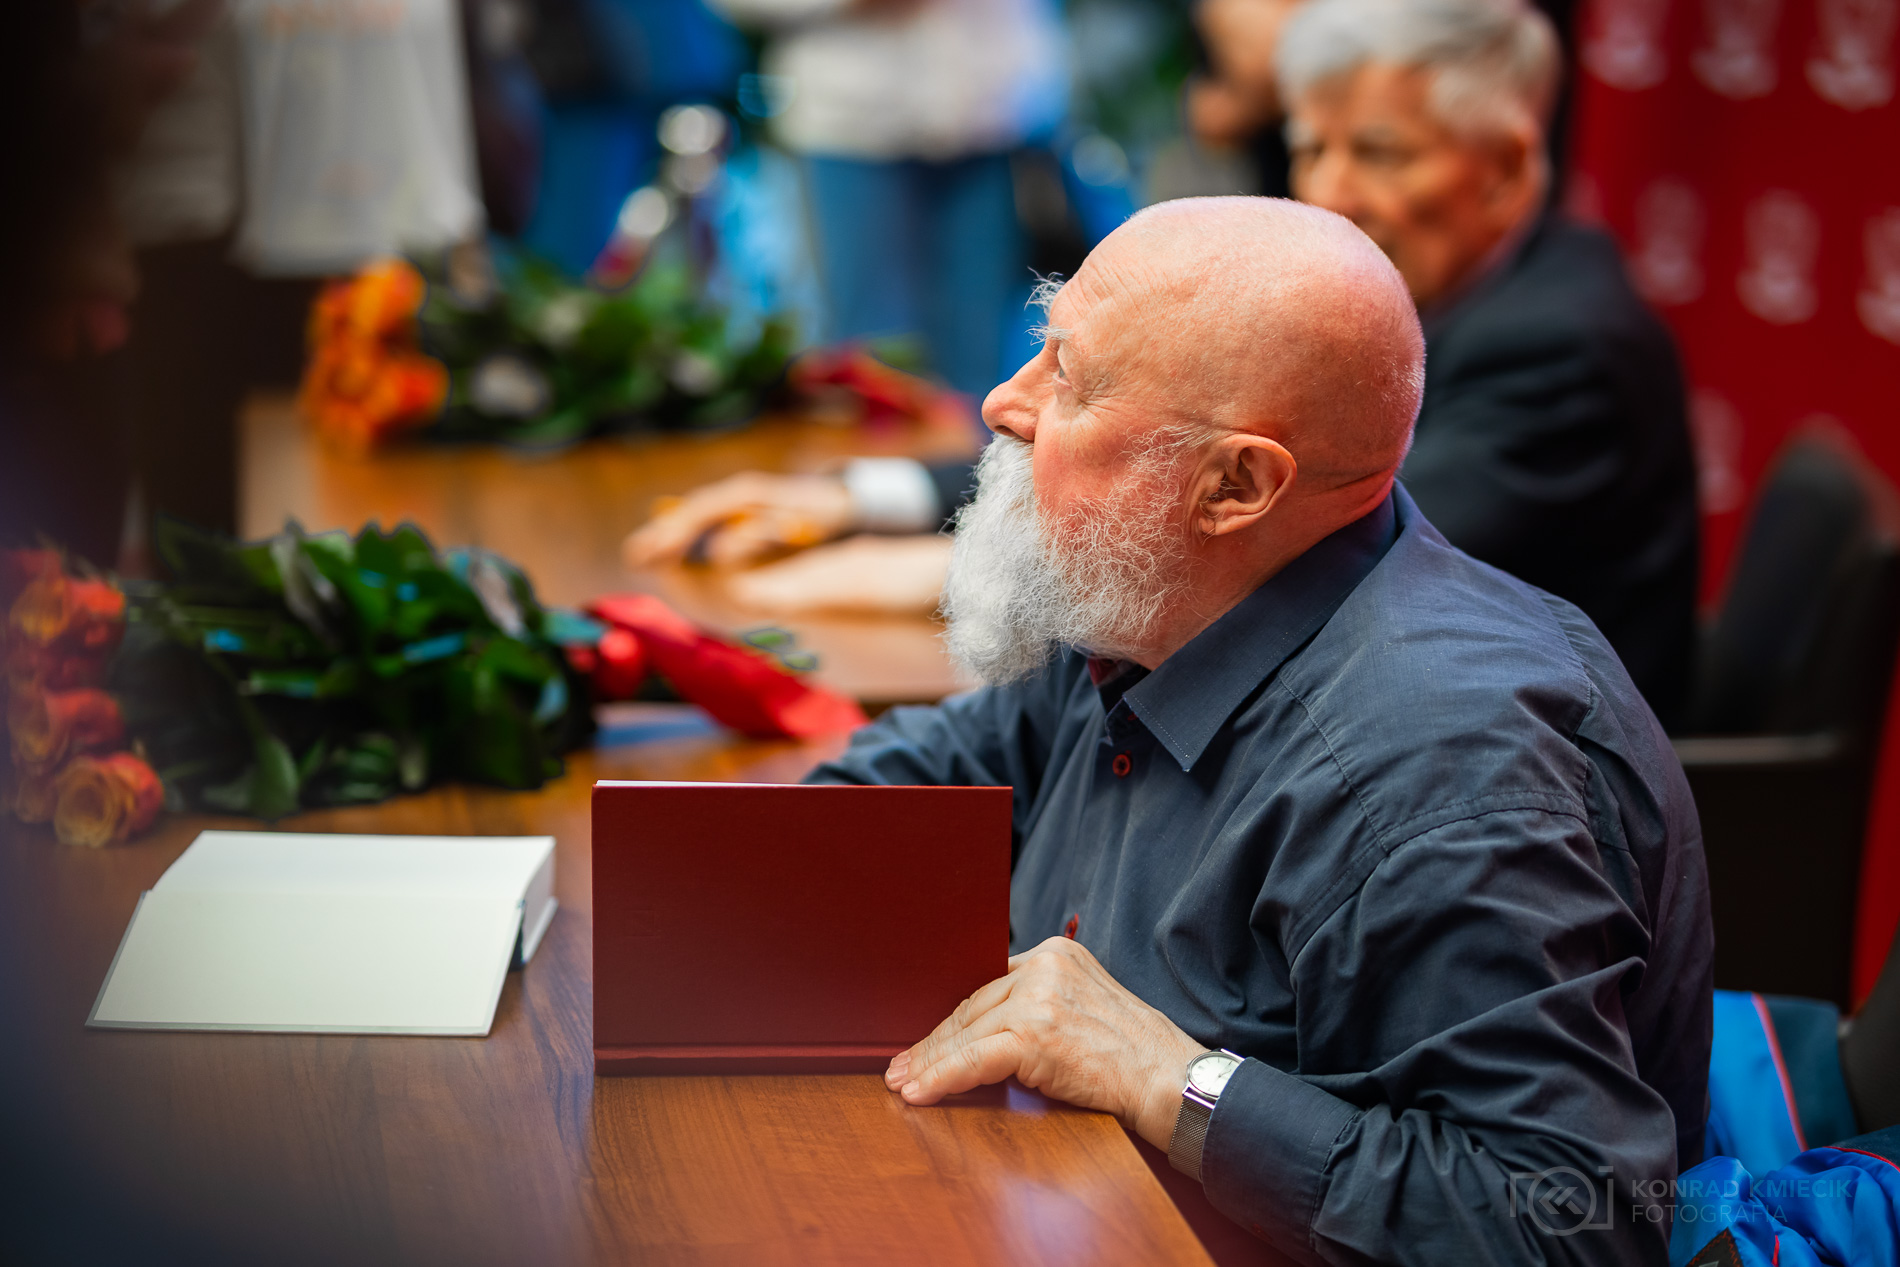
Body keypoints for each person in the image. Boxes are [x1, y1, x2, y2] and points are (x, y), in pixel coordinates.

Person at [807, 196, 1713, 1262]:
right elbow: (923, 783)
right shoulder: (1158, 596)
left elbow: (1572, 1222)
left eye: (1072, 381)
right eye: (1042, 350)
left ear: (1235, 485)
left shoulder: (1439, 781)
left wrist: (1172, 1079)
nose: (1006, 402)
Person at [627, 0, 1701, 728]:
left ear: (1505, 169)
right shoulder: (1429, 295)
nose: (1330, 192)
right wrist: (860, 499)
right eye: (1310, 147)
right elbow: (1132, 436)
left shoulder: (1559, 346)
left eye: (1378, 152)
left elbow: (1276, 564)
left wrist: (897, 575)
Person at [700, 0, 1067, 399]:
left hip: (992, 113)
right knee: (875, 358)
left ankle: (975, 439)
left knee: (983, 354)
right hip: (851, 124)